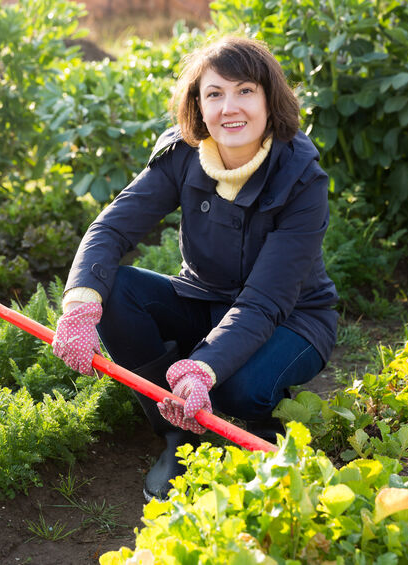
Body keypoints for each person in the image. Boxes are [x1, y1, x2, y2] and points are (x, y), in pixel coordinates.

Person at [51, 35, 338, 502]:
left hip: (293, 318)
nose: (230, 108)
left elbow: (265, 301)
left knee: (237, 389)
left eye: (245, 90)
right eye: (214, 94)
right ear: (198, 106)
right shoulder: (184, 155)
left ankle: (259, 409)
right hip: (203, 299)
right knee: (119, 290)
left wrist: (205, 368)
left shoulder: (302, 177)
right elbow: (110, 230)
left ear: (269, 99)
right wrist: (81, 304)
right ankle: (178, 436)